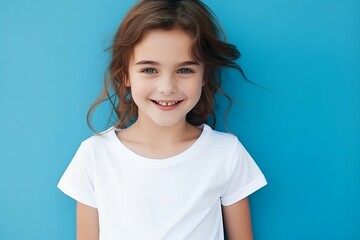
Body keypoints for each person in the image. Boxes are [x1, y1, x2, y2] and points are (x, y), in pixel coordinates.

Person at [57, 0, 267, 239]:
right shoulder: (94, 156)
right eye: (149, 70)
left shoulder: (226, 154)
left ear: (204, 75)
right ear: (125, 74)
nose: (167, 87)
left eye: (185, 70)